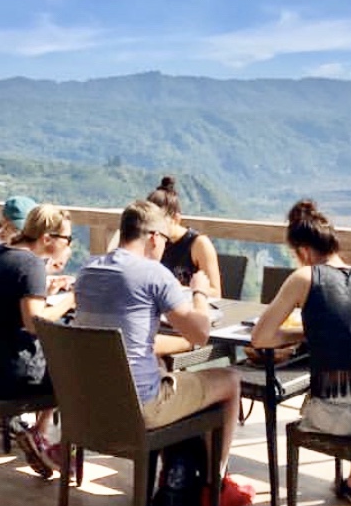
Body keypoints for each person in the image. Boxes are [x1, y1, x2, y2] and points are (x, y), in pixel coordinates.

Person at [74, 199, 240, 473]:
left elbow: (124, 337)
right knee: (231, 380)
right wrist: (199, 291)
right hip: (139, 407)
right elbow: (200, 333)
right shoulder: (154, 274)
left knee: (158, 361)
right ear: (153, 237)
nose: (165, 247)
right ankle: (216, 481)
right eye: (164, 239)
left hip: (88, 403)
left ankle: (173, 472)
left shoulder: (87, 270)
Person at [251, 199, 351, 506]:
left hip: (335, 420)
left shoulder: (305, 278)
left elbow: (261, 337)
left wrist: (305, 332)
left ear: (303, 252)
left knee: (306, 403)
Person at [0, 203, 75, 476]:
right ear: (47, 238)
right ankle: (42, 434)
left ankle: (40, 433)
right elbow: (35, 325)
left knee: (62, 360)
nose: (69, 245)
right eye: (67, 239)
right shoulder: (31, 264)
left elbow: (10, 304)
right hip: (14, 375)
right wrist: (70, 301)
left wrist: (43, 290)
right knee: (74, 369)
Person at [145, 176, 222, 296]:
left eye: (159, 222)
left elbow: (215, 292)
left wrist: (181, 289)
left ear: (176, 219)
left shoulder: (199, 244)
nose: (155, 229)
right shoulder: (150, 239)